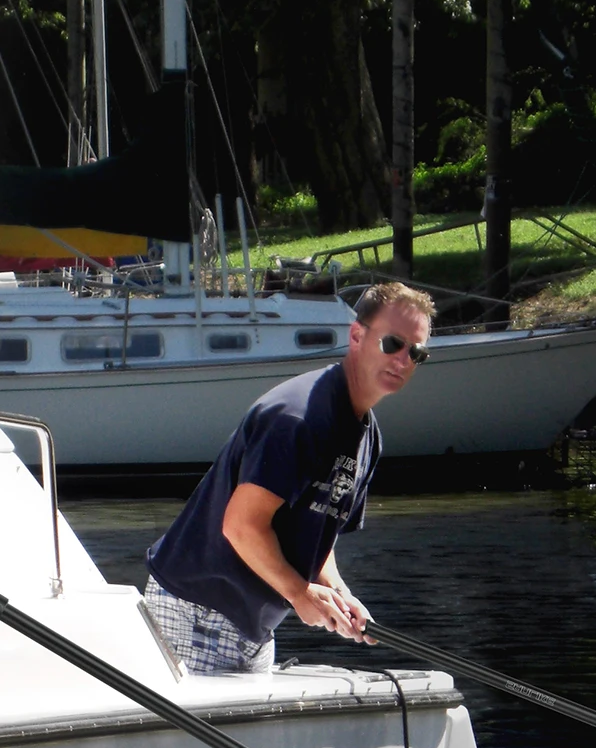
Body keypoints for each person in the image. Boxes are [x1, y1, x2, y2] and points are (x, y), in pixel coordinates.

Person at [144, 280, 433, 675]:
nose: (403, 360)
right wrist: (299, 593)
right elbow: (242, 526)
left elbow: (318, 532)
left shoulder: (368, 436)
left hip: (253, 625)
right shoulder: (297, 417)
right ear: (356, 336)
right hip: (197, 610)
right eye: (392, 344)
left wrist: (338, 595)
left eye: (416, 352)